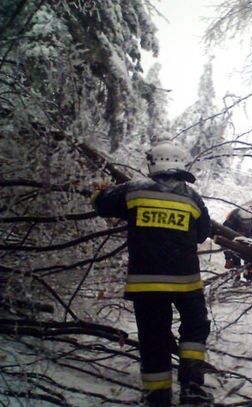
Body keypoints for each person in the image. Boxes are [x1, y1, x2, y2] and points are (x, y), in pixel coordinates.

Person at [91, 141, 212, 407]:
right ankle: (192, 386)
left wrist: (99, 191)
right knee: (195, 327)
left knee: (153, 336)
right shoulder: (192, 197)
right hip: (186, 282)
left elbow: (101, 204)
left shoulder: (133, 189)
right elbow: (203, 233)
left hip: (146, 283)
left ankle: (157, 396)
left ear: (153, 164)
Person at [222, 206, 252, 282]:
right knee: (234, 260)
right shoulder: (230, 221)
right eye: (244, 222)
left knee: (251, 261)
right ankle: (235, 282)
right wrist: (228, 258)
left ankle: (250, 280)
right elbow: (224, 240)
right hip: (233, 239)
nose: (246, 225)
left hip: (249, 238)